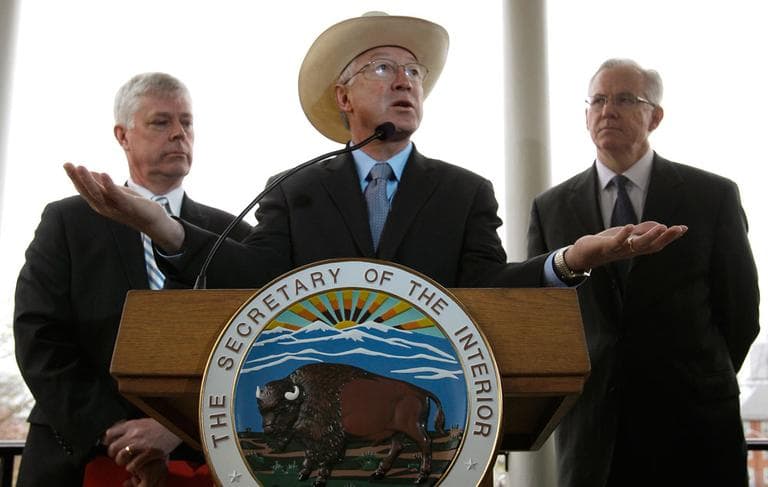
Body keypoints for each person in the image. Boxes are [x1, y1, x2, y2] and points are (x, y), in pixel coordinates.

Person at [65, 14, 686, 297]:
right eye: (384, 68)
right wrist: (159, 224)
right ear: (343, 97)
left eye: (413, 71)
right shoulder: (295, 189)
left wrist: (573, 259)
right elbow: (249, 274)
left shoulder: (464, 192)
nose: (405, 81)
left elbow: (489, 287)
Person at [527, 58, 760, 487]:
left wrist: (698, 377)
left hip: (696, 428)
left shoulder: (712, 196)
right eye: (598, 100)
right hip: (594, 432)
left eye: (624, 99)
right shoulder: (551, 208)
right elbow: (543, 316)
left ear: (655, 116)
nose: (607, 111)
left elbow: (740, 313)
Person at [14, 72, 252, 486]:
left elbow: (251, 350)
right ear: (122, 135)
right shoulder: (68, 222)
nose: (179, 133)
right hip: (76, 455)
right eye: (161, 122)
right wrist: (114, 431)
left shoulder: (232, 235)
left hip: (200, 461)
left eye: (187, 122)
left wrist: (174, 428)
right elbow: (38, 335)